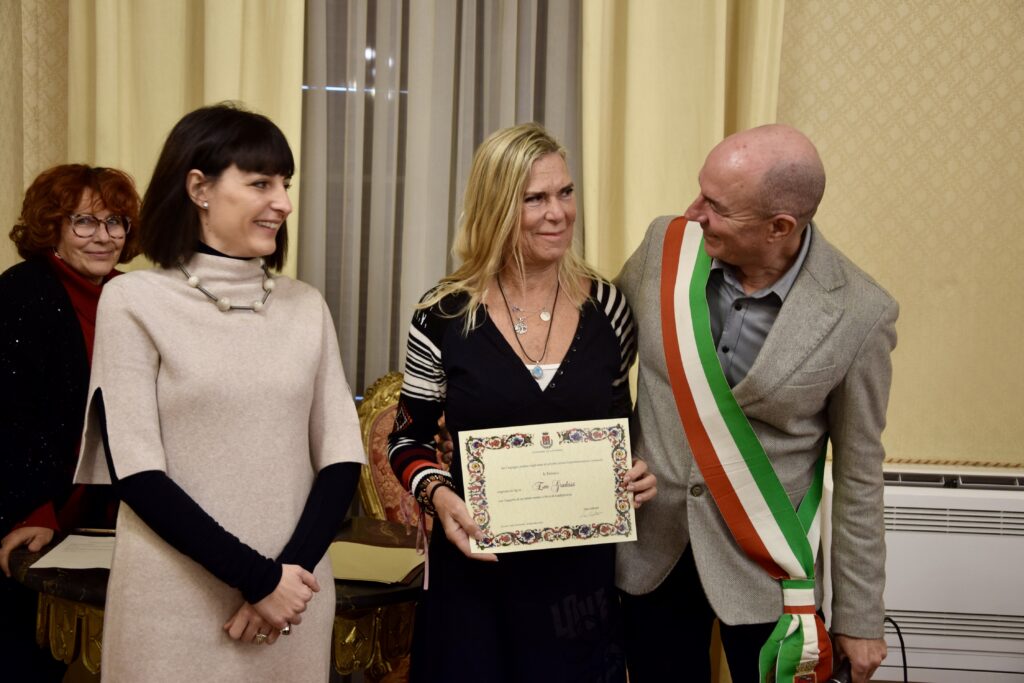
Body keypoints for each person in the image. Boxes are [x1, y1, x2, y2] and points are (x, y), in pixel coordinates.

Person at [72, 103, 365, 681]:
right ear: (199, 188)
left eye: (285, 184)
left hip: (295, 597)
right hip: (172, 601)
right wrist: (258, 579)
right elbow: (138, 474)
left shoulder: (306, 306)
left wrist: (285, 579)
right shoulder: (133, 301)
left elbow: (341, 458)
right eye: (260, 183)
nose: (283, 202)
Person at [615, 124, 897, 683]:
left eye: (716, 207)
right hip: (653, 554)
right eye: (700, 191)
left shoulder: (860, 313)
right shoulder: (664, 247)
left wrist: (861, 617)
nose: (693, 212)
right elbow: (594, 359)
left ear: (779, 227)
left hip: (768, 571)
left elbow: (861, 472)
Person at [388, 122, 657, 682]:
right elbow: (407, 439)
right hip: (476, 578)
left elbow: (622, 424)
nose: (558, 213)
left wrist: (637, 471)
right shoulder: (442, 315)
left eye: (565, 192)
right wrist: (439, 496)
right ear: (495, 207)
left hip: (579, 589)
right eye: (534, 199)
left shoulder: (610, 308)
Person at [0, 164, 140, 680]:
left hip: (112, 514)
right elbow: (8, 414)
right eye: (84, 221)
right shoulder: (22, 292)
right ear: (52, 227)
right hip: (32, 510)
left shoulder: (135, 298)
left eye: (115, 221)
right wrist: (31, 511)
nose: (103, 236)